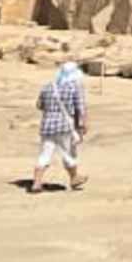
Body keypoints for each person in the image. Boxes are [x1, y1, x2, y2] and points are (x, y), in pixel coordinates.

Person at [30, 60, 88, 193]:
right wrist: (82, 125)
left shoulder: (48, 86)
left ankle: (36, 183)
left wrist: (51, 111)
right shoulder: (75, 87)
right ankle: (74, 178)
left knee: (45, 154)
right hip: (65, 125)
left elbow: (39, 105)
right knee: (68, 153)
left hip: (47, 126)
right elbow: (80, 108)